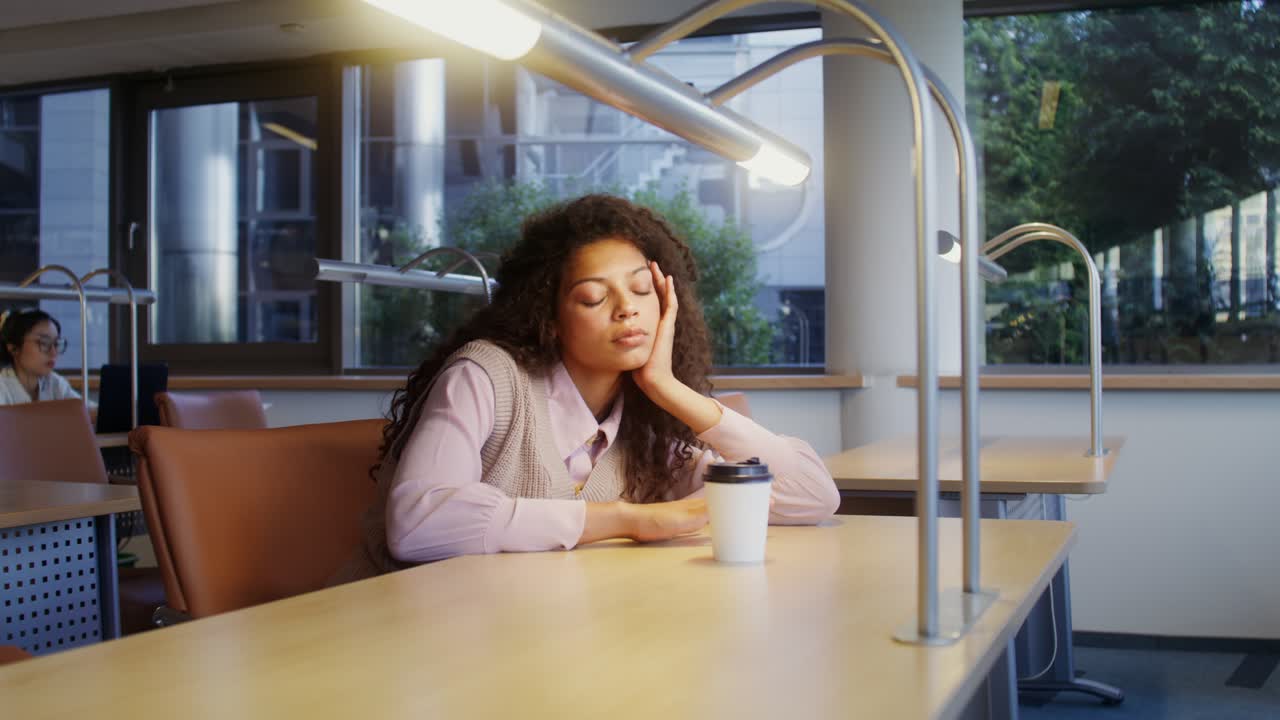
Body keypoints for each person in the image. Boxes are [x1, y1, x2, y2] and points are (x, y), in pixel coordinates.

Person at [334, 195, 839, 583]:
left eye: (642, 291)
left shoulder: (639, 429)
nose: (627, 308)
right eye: (594, 298)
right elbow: (417, 524)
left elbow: (812, 496)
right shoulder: (485, 375)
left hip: (516, 640)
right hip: (386, 637)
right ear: (548, 316)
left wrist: (667, 387)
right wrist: (630, 520)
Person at [0, 309, 83, 405]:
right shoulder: (2, 388)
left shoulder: (54, 383)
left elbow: (86, 411)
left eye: (56, 344)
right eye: (44, 343)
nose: (53, 352)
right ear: (13, 348)